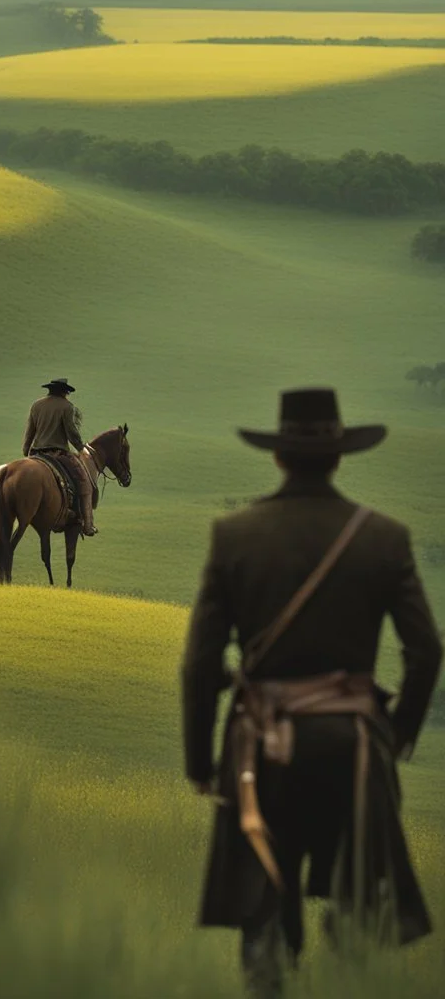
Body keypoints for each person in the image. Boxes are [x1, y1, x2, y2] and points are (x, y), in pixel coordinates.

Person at [181, 387, 442, 996]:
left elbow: (199, 663)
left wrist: (201, 765)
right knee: (361, 920)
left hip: (259, 753)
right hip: (353, 750)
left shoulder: (233, 536)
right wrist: (394, 737)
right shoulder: (385, 537)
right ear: (339, 456)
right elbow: (426, 651)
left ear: (277, 456)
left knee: (265, 925)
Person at [22, 378, 97, 536]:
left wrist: (26, 450)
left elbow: (30, 431)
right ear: (64, 392)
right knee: (84, 482)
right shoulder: (67, 407)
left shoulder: (36, 405)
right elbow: (71, 433)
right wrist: (82, 448)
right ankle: (88, 525)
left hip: (36, 453)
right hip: (58, 453)